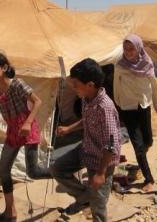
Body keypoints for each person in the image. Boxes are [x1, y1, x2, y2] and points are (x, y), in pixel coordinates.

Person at [0, 51, 51, 222]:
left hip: (27, 129)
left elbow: (38, 101)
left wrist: (27, 123)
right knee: (3, 170)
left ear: (4, 68)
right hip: (12, 132)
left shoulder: (18, 84)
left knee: (33, 171)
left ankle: (61, 172)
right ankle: (10, 211)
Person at [50, 58, 120, 222]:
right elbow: (87, 120)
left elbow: (111, 145)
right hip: (87, 148)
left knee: (98, 206)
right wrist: (69, 128)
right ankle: (84, 197)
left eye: (76, 84)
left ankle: (93, 204)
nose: (73, 87)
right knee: (57, 168)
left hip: (103, 159)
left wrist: (101, 174)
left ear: (90, 84)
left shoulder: (105, 108)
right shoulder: (86, 98)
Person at [113, 34, 157, 192]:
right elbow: (116, 86)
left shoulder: (147, 63)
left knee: (148, 141)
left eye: (131, 49)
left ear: (138, 48)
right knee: (138, 145)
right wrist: (118, 105)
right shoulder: (120, 65)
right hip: (127, 107)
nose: (128, 52)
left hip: (144, 105)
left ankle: (142, 155)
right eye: (125, 49)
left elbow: (153, 85)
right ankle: (149, 178)